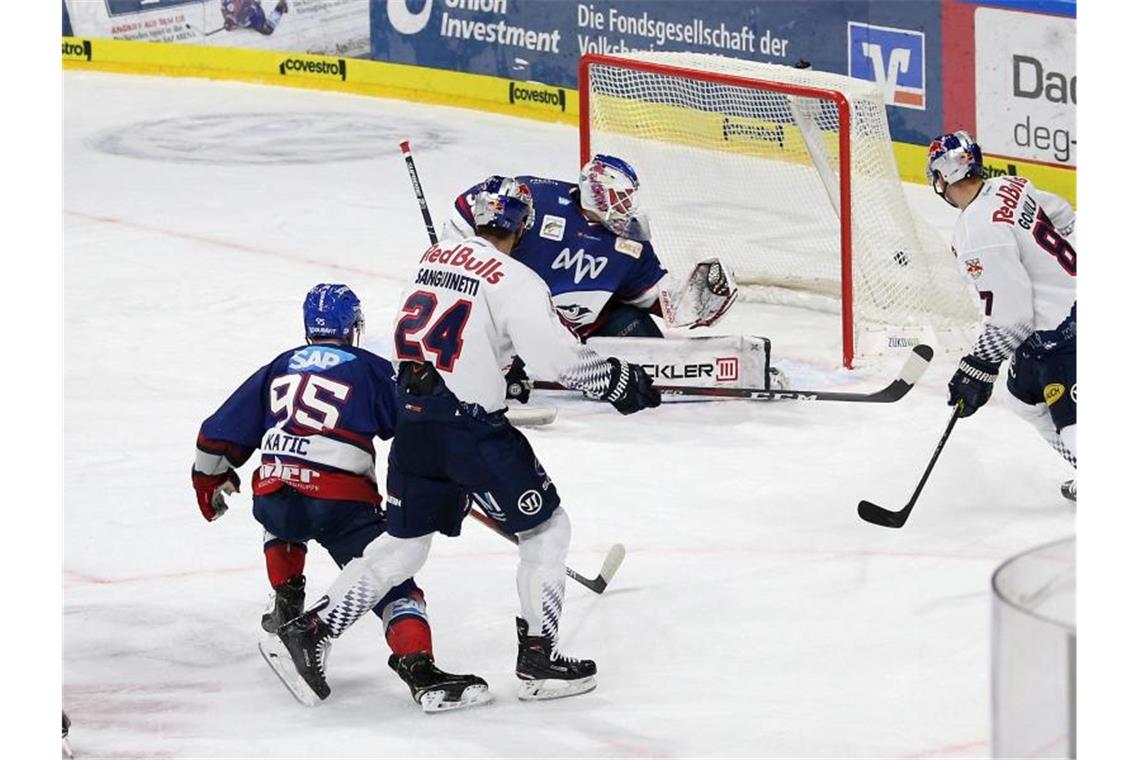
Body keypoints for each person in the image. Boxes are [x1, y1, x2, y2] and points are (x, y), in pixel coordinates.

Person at [272, 177, 661, 705]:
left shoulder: (433, 257)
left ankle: (313, 629)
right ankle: (539, 659)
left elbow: (457, 331)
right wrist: (616, 381)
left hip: (413, 421)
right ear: (522, 226)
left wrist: (503, 363)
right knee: (546, 530)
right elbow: (556, 359)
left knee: (403, 547)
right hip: (471, 432)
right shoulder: (517, 278)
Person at [192, 283, 490, 712]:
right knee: (394, 581)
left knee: (279, 508)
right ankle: (421, 672)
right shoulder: (371, 367)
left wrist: (208, 479)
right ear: (353, 327)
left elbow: (215, 434)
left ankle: (286, 598)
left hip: (274, 495)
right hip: (339, 502)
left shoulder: (279, 366)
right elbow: (422, 425)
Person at [444, 156, 739, 400]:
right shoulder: (537, 198)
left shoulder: (631, 243)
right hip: (524, 323)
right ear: (595, 193)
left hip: (590, 327)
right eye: (620, 198)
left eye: (628, 200)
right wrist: (455, 258)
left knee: (651, 359)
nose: (626, 208)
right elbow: (468, 212)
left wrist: (698, 299)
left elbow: (654, 296)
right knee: (492, 346)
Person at [926, 131, 1076, 500]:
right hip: (1066, 311)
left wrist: (977, 365)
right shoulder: (1009, 184)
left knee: (1073, 425)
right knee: (1022, 397)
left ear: (943, 178)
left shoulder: (978, 232)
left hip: (1060, 333)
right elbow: (1063, 214)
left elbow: (1013, 317)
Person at [221, 0, 287, 36]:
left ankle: (281, 6)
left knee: (267, 30)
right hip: (244, 17)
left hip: (253, 15)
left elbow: (255, 6)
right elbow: (223, 9)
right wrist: (227, 20)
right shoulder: (226, 3)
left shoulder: (249, 5)